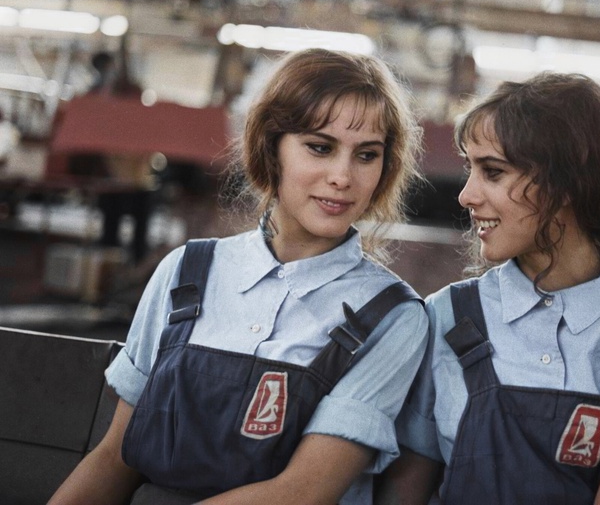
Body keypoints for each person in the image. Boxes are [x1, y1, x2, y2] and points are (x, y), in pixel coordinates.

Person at [49, 48, 429, 505]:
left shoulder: (392, 318)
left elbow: (302, 493)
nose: (342, 176)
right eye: (320, 147)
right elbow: (115, 458)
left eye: (366, 155)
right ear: (271, 147)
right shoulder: (185, 274)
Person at [376, 72, 600, 505]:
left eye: (493, 172)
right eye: (470, 169)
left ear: (567, 182)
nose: (466, 195)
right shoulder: (444, 317)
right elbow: (404, 491)